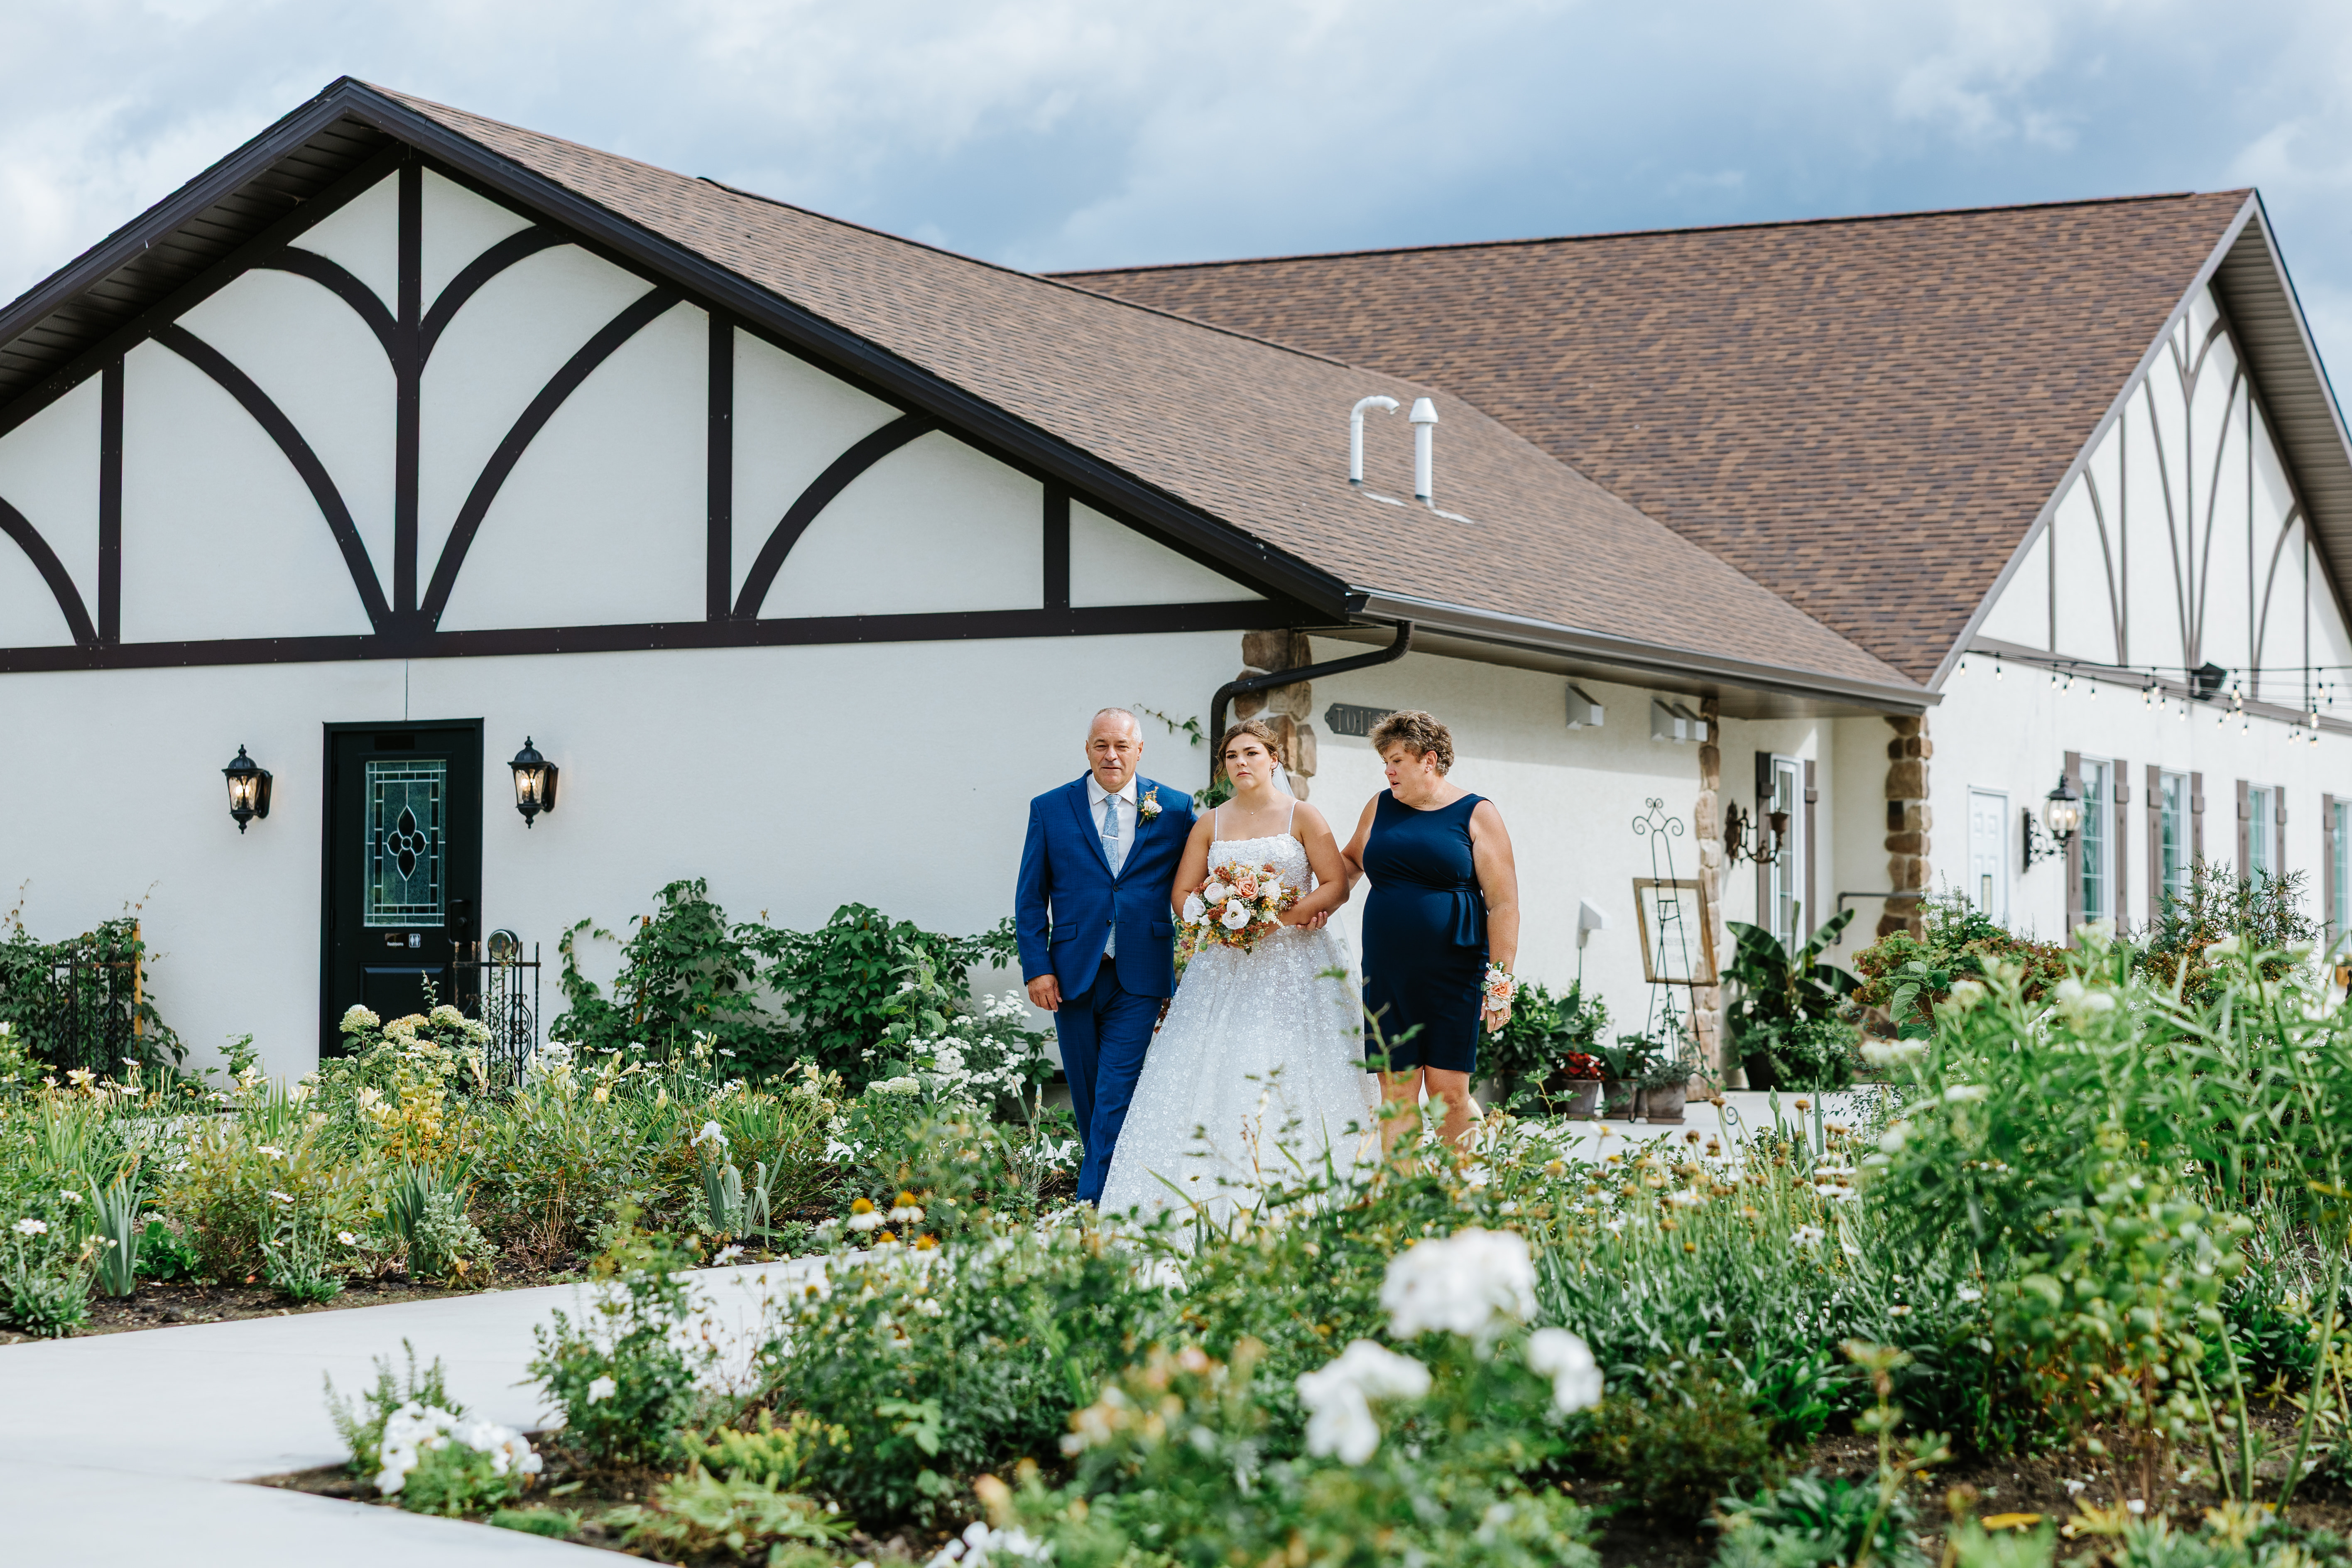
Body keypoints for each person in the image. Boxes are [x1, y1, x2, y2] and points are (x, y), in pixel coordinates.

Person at [1097, 719, 1375, 1223]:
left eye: (1251, 753)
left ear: (1274, 758)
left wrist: (1275, 919)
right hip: (1223, 965)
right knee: (1214, 1070)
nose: (1240, 763)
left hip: (1296, 963)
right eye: (1231, 756)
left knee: (1295, 1069)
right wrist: (1213, 918)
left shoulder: (1303, 815)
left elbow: (1335, 884)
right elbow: (1182, 894)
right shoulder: (1212, 823)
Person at [1015, 709, 1198, 1205]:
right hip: (1072, 973)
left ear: (1140, 750)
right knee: (1088, 1090)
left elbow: (1207, 868)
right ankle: (1122, 1187)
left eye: (1121, 745)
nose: (1111, 755)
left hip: (1142, 971)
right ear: (1088, 749)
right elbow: (1031, 896)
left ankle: (1093, 1201)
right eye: (1101, 745)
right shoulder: (1051, 808)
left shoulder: (1177, 808)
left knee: (1116, 1089)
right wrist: (1038, 966)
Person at [1340, 710, 1521, 1151]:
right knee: (1396, 1092)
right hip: (1387, 973)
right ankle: (1404, 1206)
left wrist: (1501, 981)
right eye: (1386, 761)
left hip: (1454, 972)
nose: (1388, 770)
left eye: (1397, 759)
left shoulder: (1476, 812)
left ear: (1430, 759)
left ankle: (1456, 1202)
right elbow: (1348, 865)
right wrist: (1299, 907)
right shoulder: (1379, 805)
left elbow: (1503, 903)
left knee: (1449, 1092)